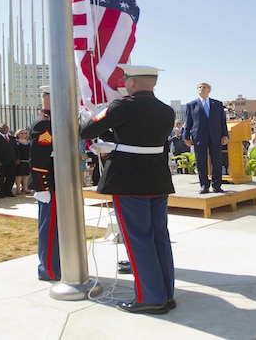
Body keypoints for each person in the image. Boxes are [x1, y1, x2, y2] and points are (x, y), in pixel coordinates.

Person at [80, 64, 177, 315]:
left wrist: (100, 116)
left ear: (132, 83)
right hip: (157, 178)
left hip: (129, 179)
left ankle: (150, 298)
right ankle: (166, 294)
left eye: (125, 79)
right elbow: (141, 137)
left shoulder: (122, 107)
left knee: (138, 239)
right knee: (159, 238)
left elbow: (87, 130)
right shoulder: (166, 110)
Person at [29, 85, 60, 281]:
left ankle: (59, 265)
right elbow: (39, 160)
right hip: (50, 184)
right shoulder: (45, 123)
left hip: (59, 182)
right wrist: (43, 187)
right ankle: (49, 269)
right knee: (50, 230)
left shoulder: (54, 121)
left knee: (58, 228)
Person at [183, 82, 229, 194]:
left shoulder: (217, 104)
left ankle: (217, 185)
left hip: (215, 136)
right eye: (199, 87)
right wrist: (186, 137)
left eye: (204, 87)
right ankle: (204, 185)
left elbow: (222, 121)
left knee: (217, 162)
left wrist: (225, 135)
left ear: (209, 90)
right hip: (199, 136)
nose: (201, 89)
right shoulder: (191, 105)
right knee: (201, 162)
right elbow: (188, 122)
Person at [0, 123, 19, 198]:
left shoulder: (11, 138)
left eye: (6, 128)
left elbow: (16, 149)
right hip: (1, 162)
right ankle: (0, 192)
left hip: (11, 161)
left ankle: (8, 191)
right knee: (0, 177)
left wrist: (18, 158)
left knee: (11, 177)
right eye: (3, 128)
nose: (5, 129)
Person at [13, 129, 31, 195]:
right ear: (18, 134)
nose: (23, 134)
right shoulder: (15, 142)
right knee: (18, 175)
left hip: (27, 160)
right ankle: (18, 189)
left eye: (25, 133)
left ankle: (25, 188)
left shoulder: (29, 142)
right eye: (21, 133)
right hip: (19, 161)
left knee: (26, 175)